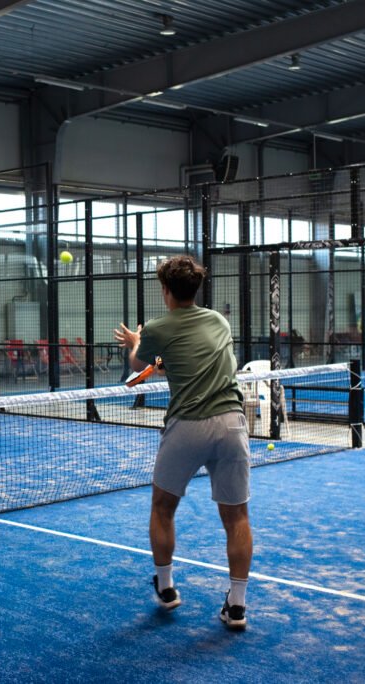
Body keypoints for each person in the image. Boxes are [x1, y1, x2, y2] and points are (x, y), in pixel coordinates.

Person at [113, 255, 253, 630]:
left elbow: (135, 365)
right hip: (232, 425)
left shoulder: (159, 327)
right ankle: (237, 605)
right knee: (237, 516)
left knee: (162, 507)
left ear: (165, 290)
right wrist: (159, 357)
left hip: (188, 426)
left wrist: (138, 340)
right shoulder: (219, 321)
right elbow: (182, 361)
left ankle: (166, 586)